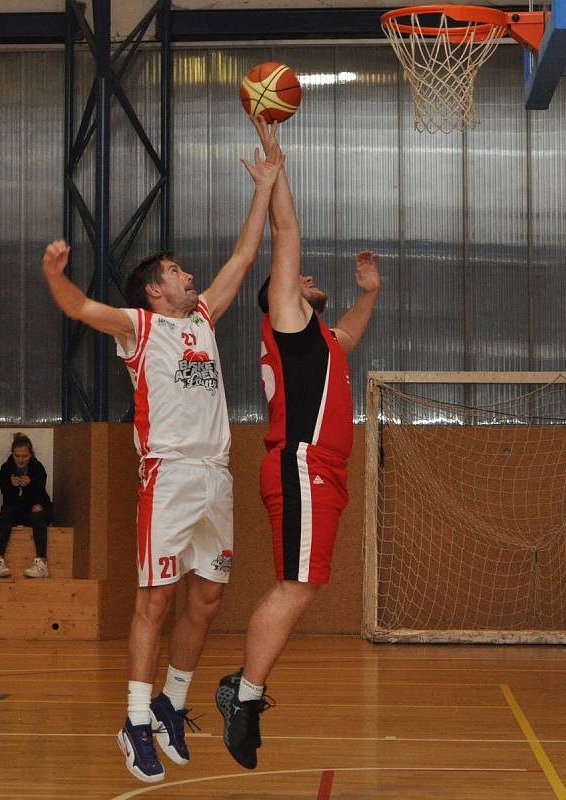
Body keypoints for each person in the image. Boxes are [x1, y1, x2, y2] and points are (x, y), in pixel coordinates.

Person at [42, 141, 285, 784]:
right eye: (177, 271)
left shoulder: (203, 317)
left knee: (206, 600)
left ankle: (172, 706)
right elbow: (78, 308)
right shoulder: (139, 327)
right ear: (156, 288)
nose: (189, 275)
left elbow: (244, 257)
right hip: (170, 475)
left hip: (216, 477)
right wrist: (56, 276)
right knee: (155, 601)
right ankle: (134, 720)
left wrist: (264, 185)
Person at [215, 117, 381, 770]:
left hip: (321, 470)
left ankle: (247, 690)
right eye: (302, 280)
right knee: (295, 587)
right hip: (303, 464)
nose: (310, 279)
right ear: (285, 298)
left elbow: (348, 335)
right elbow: (286, 234)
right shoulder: (285, 314)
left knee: (303, 585)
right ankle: (244, 692)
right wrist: (274, 166)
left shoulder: (319, 342)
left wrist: (370, 296)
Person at [0, 432, 53, 579]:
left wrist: (30, 485)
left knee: (37, 509)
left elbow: (39, 498)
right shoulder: (6, 469)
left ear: (30, 455)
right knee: (6, 510)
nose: (20, 460)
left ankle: (41, 562)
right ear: (12, 454)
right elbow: (7, 499)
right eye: (17, 456)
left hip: (37, 510)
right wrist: (12, 486)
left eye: (24, 456)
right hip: (17, 511)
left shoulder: (38, 468)